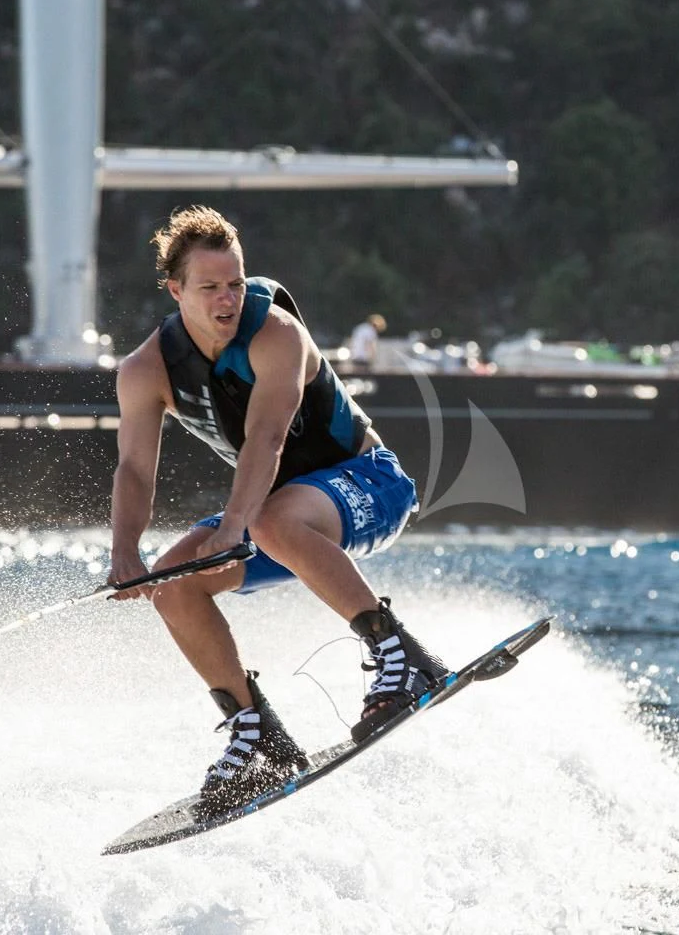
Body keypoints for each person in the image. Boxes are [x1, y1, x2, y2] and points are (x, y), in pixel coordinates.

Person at [108, 205, 448, 807]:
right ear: (176, 289)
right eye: (210, 286)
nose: (227, 299)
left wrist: (235, 524)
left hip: (370, 484)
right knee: (172, 583)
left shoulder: (276, 335)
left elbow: (265, 439)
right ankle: (256, 732)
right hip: (275, 519)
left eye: (235, 283)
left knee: (269, 519)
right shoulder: (145, 370)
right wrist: (125, 552)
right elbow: (135, 469)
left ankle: (400, 655)